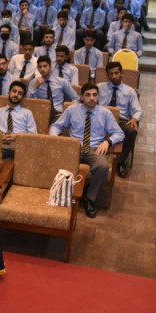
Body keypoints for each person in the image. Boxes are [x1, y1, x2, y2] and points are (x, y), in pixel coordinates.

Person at [50, 82, 124, 218]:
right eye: (88, 95)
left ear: (98, 97)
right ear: (81, 97)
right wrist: (56, 139)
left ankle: (89, 199)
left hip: (94, 149)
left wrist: (108, 142)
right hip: (74, 147)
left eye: (95, 95)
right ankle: (60, 193)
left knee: (102, 166)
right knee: (55, 158)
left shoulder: (105, 113)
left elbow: (119, 133)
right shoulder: (72, 110)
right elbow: (56, 126)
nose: (92, 98)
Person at [98, 62, 142, 178]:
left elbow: (138, 110)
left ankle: (121, 162)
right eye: (110, 74)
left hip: (121, 120)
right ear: (107, 75)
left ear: (121, 73)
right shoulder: (99, 88)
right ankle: (94, 156)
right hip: (101, 119)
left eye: (116, 73)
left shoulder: (129, 91)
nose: (114, 76)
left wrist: (134, 118)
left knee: (131, 131)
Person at [0, 80, 37, 158]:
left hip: (19, 146)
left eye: (20, 93)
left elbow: (33, 135)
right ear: (9, 92)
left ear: (22, 97)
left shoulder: (27, 113)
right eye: (14, 91)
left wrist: (17, 136)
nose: (16, 95)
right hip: (1, 145)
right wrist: (1, 137)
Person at [28, 55, 79, 122]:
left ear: (50, 66)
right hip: (41, 113)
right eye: (40, 67)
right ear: (37, 68)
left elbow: (76, 98)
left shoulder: (62, 82)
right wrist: (35, 87)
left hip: (58, 114)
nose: (42, 69)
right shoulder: (34, 82)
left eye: (45, 66)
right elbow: (27, 101)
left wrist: (67, 111)